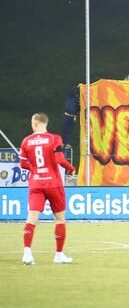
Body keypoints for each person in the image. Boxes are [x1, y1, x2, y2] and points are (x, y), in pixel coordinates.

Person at [19, 112, 76, 265]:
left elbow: (23, 164)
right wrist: (71, 168)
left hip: (36, 184)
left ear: (36, 123)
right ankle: (58, 255)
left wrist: (35, 167)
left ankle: (27, 254)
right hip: (54, 184)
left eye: (32, 122)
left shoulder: (26, 141)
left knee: (32, 219)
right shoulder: (54, 139)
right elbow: (59, 159)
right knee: (59, 219)